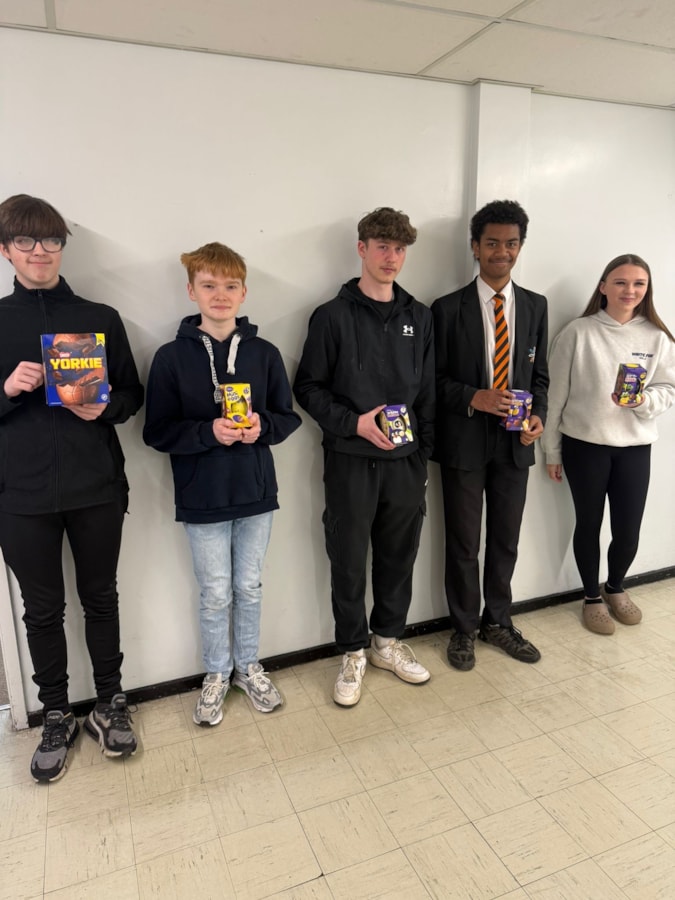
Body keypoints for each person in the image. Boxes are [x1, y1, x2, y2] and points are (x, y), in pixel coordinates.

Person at [0, 194, 143, 782]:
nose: (40, 252)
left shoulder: (99, 316)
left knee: (101, 597)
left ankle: (110, 703)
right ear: (6, 250)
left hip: (95, 487)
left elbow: (133, 395)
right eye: (26, 241)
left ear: (62, 247)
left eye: (51, 240)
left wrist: (105, 407)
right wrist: (6, 390)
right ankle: (55, 713)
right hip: (20, 495)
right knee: (41, 611)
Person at [143, 242, 300, 725]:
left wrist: (261, 428)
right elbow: (156, 432)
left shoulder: (265, 353)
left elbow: (287, 418)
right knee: (215, 593)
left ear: (244, 292)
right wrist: (207, 432)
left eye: (230, 286)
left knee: (249, 587)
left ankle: (248, 666)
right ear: (191, 291)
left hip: (255, 492)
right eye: (208, 285)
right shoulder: (170, 357)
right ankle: (216, 672)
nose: (220, 295)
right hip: (202, 496)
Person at [293, 207, 434, 707]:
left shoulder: (419, 316)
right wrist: (354, 423)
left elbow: (427, 394)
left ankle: (386, 643)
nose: (391, 257)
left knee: (399, 557)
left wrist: (422, 455)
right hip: (350, 459)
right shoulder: (331, 316)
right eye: (382, 247)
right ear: (362, 249)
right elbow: (307, 387)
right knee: (349, 559)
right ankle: (352, 650)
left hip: (405, 463)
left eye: (399, 249)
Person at [432, 199, 548, 671]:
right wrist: (473, 397)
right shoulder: (446, 309)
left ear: (521, 246)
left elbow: (540, 375)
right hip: (463, 443)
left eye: (511, 243)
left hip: (515, 444)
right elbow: (432, 381)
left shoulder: (536, 305)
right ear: (475, 247)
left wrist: (538, 416)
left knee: (506, 539)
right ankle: (463, 628)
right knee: (463, 542)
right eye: (493, 243)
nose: (503, 252)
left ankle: (497, 622)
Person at [542, 254, 675, 634]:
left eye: (638, 283)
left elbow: (668, 389)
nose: (629, 290)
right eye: (620, 282)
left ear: (647, 289)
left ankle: (615, 587)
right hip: (584, 446)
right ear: (603, 287)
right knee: (589, 524)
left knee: (628, 530)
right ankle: (591, 597)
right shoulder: (577, 333)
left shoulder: (658, 337)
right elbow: (555, 397)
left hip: (635, 447)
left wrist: (642, 401)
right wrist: (552, 451)